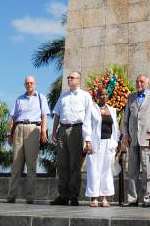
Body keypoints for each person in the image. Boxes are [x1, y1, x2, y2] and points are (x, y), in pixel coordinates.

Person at [51, 70, 92, 206]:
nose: (69, 79)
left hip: (77, 130)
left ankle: (73, 196)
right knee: (62, 164)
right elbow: (57, 114)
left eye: (72, 77)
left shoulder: (85, 96)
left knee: (75, 164)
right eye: (68, 77)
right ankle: (63, 195)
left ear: (79, 80)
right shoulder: (63, 96)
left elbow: (88, 118)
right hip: (62, 129)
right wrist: (54, 131)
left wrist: (87, 138)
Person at [6, 76, 50, 204]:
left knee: (31, 165)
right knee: (16, 164)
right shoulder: (19, 99)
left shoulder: (41, 98)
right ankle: (11, 195)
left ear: (35, 84)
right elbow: (13, 118)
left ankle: (29, 196)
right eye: (27, 83)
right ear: (24, 85)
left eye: (31, 83)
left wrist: (43, 131)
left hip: (33, 129)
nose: (29, 85)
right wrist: (10, 133)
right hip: (19, 128)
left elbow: (44, 116)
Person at [122, 74, 150, 207]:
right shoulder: (131, 97)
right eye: (137, 81)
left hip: (147, 138)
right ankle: (132, 198)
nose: (139, 84)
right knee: (132, 170)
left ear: (147, 83)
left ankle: (146, 198)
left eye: (142, 81)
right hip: (132, 139)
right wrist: (126, 135)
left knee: (147, 170)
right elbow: (126, 119)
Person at [85, 88, 120, 207]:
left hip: (108, 143)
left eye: (106, 95)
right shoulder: (92, 109)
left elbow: (115, 128)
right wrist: (88, 142)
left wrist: (116, 143)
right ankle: (94, 197)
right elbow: (87, 125)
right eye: (101, 95)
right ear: (97, 96)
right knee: (94, 169)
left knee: (106, 170)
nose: (104, 97)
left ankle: (104, 197)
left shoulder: (112, 110)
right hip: (95, 143)